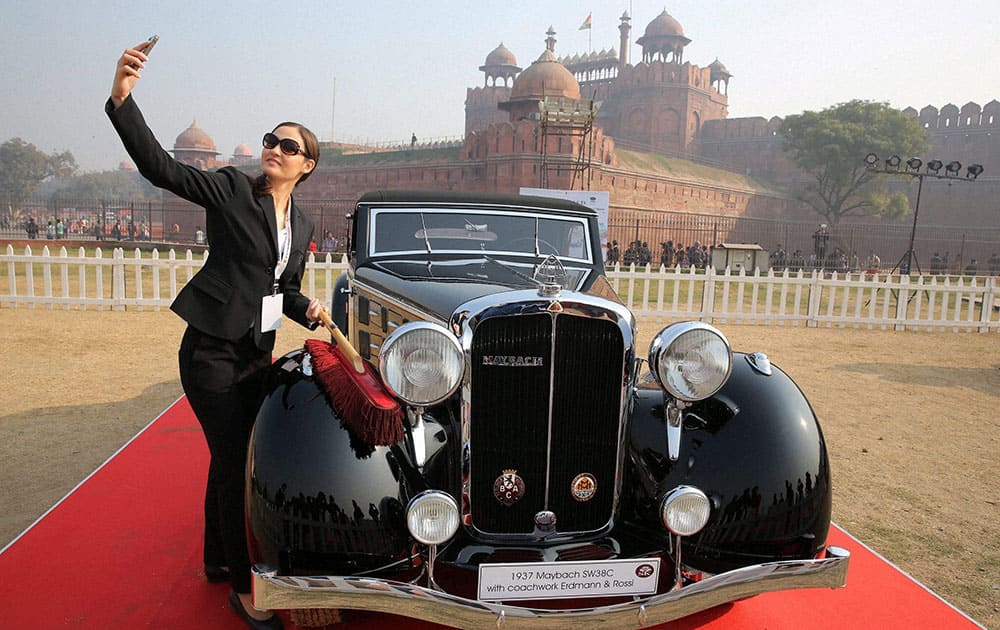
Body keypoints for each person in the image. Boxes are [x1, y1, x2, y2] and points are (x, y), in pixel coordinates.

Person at [107, 39, 323, 629]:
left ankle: (212, 559)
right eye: (271, 141)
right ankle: (243, 588)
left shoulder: (301, 222)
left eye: (289, 146)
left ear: (307, 164)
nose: (274, 150)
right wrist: (123, 99)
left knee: (233, 456)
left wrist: (313, 312)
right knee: (234, 463)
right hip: (209, 351)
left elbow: (284, 288)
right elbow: (162, 169)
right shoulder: (231, 188)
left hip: (255, 353)